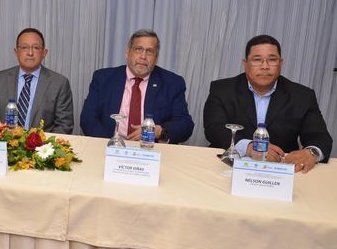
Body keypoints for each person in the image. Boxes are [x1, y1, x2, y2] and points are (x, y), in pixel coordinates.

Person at [203, 35, 332, 173]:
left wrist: (311, 153)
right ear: (245, 63)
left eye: (272, 60)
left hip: (281, 169)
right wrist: (250, 147)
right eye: (257, 60)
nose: (265, 66)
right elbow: (214, 129)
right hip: (230, 166)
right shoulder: (222, 89)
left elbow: (320, 137)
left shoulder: (302, 96)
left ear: (280, 63)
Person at [80, 29, 194, 143]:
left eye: (149, 51)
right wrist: (109, 146)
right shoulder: (103, 78)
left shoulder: (172, 83)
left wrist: (159, 131)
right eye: (138, 49)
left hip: (151, 150)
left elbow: (185, 125)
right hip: (109, 147)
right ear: (127, 52)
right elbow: (88, 119)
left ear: (156, 58)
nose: (143, 56)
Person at [0, 28, 73, 133]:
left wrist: (45, 147)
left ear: (44, 53)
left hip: (43, 146)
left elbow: (64, 125)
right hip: (6, 144)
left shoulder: (59, 83)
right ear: (16, 52)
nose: (30, 53)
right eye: (24, 47)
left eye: (36, 48)